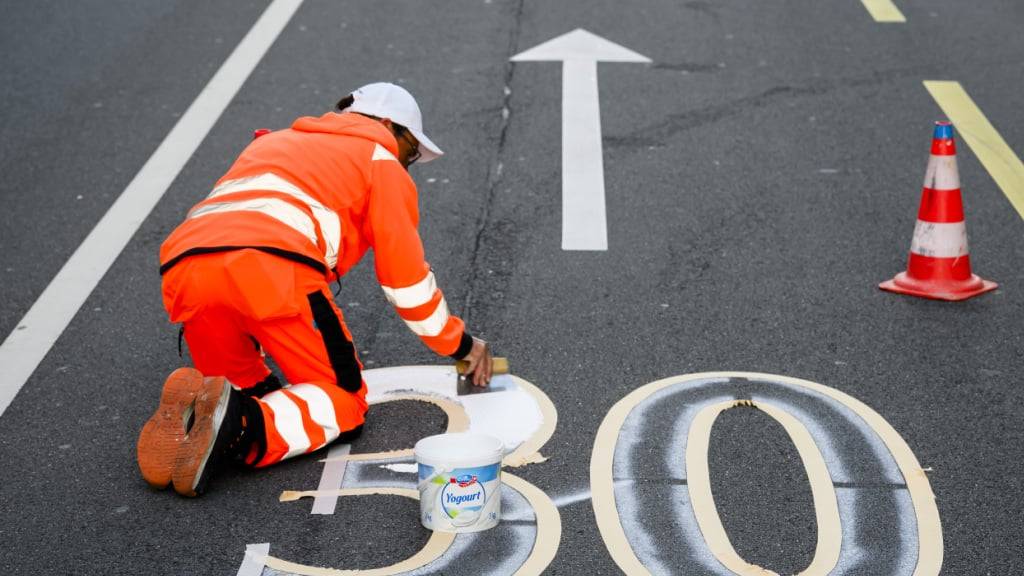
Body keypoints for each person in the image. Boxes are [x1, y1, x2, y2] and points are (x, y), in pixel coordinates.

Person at [136, 82, 494, 497]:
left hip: (186, 269)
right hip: (272, 268)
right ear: (387, 125)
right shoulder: (380, 160)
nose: (408, 161)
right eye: (411, 150)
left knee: (245, 390)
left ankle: (198, 423)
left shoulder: (271, 143)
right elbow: (406, 283)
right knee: (343, 400)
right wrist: (461, 345)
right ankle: (237, 425)